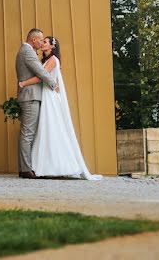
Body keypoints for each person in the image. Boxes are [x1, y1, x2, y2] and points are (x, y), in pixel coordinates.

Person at [22, 36, 101, 180]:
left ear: (52, 46)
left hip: (50, 97)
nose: (42, 44)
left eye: (45, 42)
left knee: (50, 127)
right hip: (46, 95)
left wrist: (23, 83)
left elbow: (41, 77)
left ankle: (55, 166)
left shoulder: (53, 60)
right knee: (45, 129)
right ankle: (45, 165)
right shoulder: (47, 61)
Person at [15, 28, 58, 179]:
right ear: (33, 40)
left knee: (28, 133)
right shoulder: (27, 52)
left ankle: (26, 167)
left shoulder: (27, 51)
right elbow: (40, 72)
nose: (41, 43)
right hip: (30, 97)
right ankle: (25, 169)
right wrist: (54, 83)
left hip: (30, 96)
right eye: (40, 40)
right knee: (27, 134)